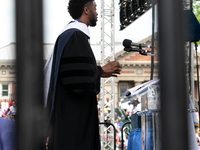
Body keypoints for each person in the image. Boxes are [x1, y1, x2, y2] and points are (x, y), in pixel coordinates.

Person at [45, 0, 122, 149]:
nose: (97, 12)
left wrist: (98, 72)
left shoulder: (72, 35)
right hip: (73, 121)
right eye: (95, 8)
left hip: (71, 118)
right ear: (86, 10)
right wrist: (99, 71)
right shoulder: (75, 36)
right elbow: (77, 80)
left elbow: (78, 71)